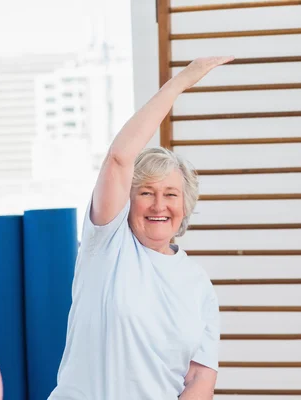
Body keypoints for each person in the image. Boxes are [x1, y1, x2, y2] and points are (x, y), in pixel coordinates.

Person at [48, 56, 234, 400]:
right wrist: (180, 83)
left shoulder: (197, 284)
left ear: (185, 204)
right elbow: (119, 158)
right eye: (146, 192)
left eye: (171, 194)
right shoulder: (106, 244)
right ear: (128, 201)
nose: (159, 205)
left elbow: (200, 379)